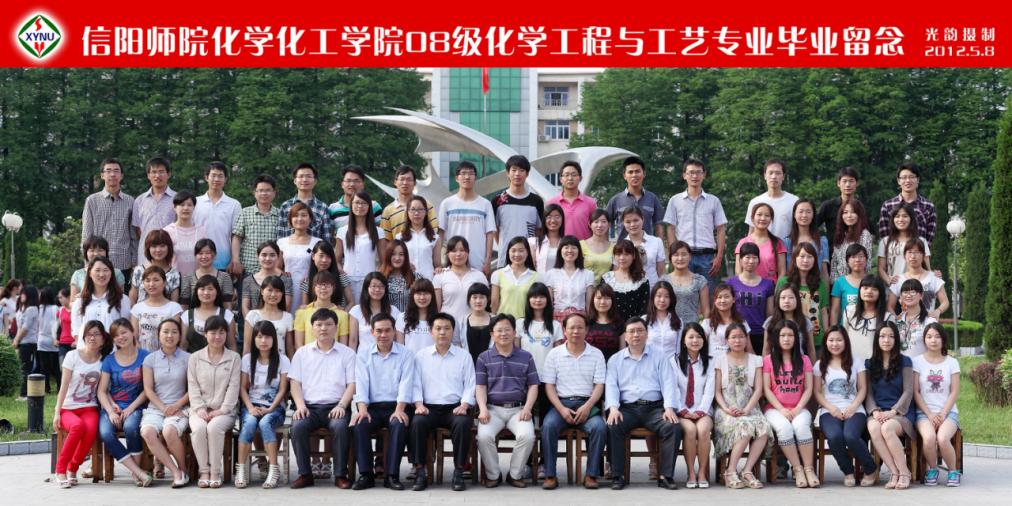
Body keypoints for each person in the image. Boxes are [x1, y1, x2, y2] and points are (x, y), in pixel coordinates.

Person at [605, 317, 682, 490]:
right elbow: (611, 386)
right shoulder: (615, 360)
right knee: (613, 425)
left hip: (654, 408)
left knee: (673, 426)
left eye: (640, 331)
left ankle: (665, 475)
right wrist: (613, 408)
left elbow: (668, 382)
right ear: (625, 336)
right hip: (627, 408)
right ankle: (618, 475)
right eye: (631, 331)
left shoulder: (660, 356)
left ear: (647, 334)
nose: (636, 335)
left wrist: (669, 407)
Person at [288, 308, 358, 489]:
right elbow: (294, 383)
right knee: (298, 426)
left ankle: (340, 475)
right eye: (319, 325)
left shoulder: (347, 354)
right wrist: (300, 406)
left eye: (328, 324)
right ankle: (305, 474)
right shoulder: (302, 353)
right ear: (312, 328)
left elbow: (352, 384)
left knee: (340, 427)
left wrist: (342, 405)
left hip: (336, 406)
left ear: (336, 327)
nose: (323, 328)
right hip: (309, 407)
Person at [410, 312, 476, 491]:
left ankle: (459, 471)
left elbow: (471, 384)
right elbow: (415, 384)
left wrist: (464, 405)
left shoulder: (464, 356)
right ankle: (420, 471)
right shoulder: (421, 356)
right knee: (417, 423)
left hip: (455, 408)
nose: (442, 332)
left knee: (463, 424)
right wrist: (418, 404)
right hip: (428, 408)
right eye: (438, 328)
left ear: (453, 331)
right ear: (431, 331)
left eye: (447, 328)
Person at [540, 313, 607, 489]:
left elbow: (599, 385)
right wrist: (561, 409)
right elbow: (549, 386)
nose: (575, 331)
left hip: (587, 404)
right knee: (548, 426)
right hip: (561, 404)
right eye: (571, 327)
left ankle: (591, 475)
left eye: (580, 327)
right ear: (564, 330)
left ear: (587, 330)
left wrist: (588, 406)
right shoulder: (554, 354)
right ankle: (550, 475)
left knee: (599, 427)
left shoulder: (596, 354)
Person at [351, 313, 417, 490]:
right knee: (360, 424)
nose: (383, 335)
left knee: (398, 424)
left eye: (388, 330)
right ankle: (366, 475)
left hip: (397, 406)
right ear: (372, 332)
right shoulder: (363, 354)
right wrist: (362, 409)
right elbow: (361, 384)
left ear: (394, 331)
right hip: (372, 407)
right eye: (379, 331)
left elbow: (406, 384)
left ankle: (391, 475)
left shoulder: (406, 354)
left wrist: (400, 409)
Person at [475, 314, 540, 488]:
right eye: (499, 330)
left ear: (514, 332)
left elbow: (533, 385)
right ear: (492, 334)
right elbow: (480, 387)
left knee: (527, 436)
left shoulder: (526, 357)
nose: (503, 334)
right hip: (492, 409)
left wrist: (527, 408)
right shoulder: (483, 358)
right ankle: (493, 475)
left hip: (518, 410)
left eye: (507, 330)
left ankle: (514, 474)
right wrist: (483, 409)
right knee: (483, 437)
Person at [813, 326, 876, 486]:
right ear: (826, 342)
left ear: (846, 342)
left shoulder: (856, 362)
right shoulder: (819, 365)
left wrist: (853, 406)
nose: (835, 344)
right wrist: (831, 408)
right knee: (834, 436)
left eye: (839, 340)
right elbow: (817, 392)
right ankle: (848, 471)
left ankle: (870, 469)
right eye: (831, 340)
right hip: (829, 410)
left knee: (850, 435)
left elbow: (862, 389)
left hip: (854, 409)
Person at [713, 323, 772, 490]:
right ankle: (730, 471)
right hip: (726, 409)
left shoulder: (756, 360)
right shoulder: (720, 360)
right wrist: (726, 409)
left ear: (747, 339)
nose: (737, 340)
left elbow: (759, 389)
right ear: (727, 340)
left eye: (741, 337)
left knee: (764, 428)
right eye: (733, 337)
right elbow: (717, 392)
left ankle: (747, 471)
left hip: (750, 407)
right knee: (745, 427)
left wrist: (746, 410)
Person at [53, 320, 111, 488]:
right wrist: (57, 412)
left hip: (89, 408)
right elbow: (63, 386)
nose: (92, 338)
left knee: (91, 430)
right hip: (68, 408)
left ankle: (73, 468)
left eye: (96, 334)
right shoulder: (72, 356)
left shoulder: (104, 362)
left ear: (103, 339)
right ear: (84, 337)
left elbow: (103, 390)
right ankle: (61, 470)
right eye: (89, 334)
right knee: (77, 426)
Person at [186, 315, 240, 488]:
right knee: (199, 428)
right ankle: (204, 471)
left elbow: (234, 387)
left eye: (221, 332)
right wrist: (200, 408)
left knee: (214, 427)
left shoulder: (234, 358)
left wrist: (222, 410)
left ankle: (216, 472)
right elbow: (192, 385)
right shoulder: (195, 358)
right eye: (213, 332)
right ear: (205, 334)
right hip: (199, 410)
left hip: (225, 411)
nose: (217, 336)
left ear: (227, 334)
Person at [763, 320, 818, 488]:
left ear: (796, 338)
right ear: (776, 338)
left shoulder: (804, 360)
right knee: (784, 428)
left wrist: (798, 408)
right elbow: (766, 389)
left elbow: (808, 388)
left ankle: (809, 469)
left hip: (799, 407)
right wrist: (781, 409)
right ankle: (797, 468)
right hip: (774, 409)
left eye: (790, 335)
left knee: (801, 428)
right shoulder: (768, 361)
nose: (786, 339)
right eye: (782, 335)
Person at [97, 319, 152, 486]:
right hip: (113, 407)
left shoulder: (145, 356)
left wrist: (131, 408)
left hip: (136, 406)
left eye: (124, 332)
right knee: (106, 433)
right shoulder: (109, 360)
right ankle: (138, 472)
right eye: (116, 335)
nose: (120, 337)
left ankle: (137, 474)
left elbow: (148, 389)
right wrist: (110, 411)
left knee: (130, 427)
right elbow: (101, 391)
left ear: (133, 332)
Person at [235, 320, 289, 489]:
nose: (263, 340)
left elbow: (282, 390)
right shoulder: (247, 359)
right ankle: (241, 469)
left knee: (266, 423)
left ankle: (273, 469)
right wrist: (250, 407)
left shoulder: (283, 360)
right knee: (249, 423)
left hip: (274, 407)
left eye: (267, 337)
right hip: (251, 406)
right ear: (254, 339)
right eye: (259, 336)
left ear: (274, 339)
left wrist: (270, 408)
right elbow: (242, 388)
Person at [663, 159, 728, 291]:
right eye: (691, 172)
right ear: (684, 175)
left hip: (707, 258)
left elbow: (721, 229)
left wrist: (719, 256)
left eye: (698, 172)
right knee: (682, 295)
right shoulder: (675, 200)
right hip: (683, 256)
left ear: (704, 175)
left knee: (708, 296)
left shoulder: (714, 201)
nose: (695, 176)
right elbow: (670, 228)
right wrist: (673, 254)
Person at [140, 319, 191, 487]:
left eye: (174, 332)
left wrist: (176, 405)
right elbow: (148, 389)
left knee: (169, 431)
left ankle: (183, 469)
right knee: (147, 432)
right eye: (165, 332)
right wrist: (163, 408)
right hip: (156, 408)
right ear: (158, 335)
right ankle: (175, 471)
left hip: (180, 407)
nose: (170, 335)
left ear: (180, 336)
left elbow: (193, 388)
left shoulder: (189, 358)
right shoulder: (150, 359)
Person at [865, 321, 915, 490]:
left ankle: (904, 472)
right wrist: (874, 411)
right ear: (877, 339)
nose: (886, 340)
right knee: (874, 428)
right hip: (878, 411)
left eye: (891, 336)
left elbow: (908, 391)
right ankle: (894, 472)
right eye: (883, 336)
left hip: (901, 412)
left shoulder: (905, 361)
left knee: (887, 428)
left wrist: (893, 411)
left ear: (896, 339)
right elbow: (868, 393)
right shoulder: (869, 363)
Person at [912, 323, 961, 487]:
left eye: (937, 336)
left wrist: (943, 414)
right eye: (929, 337)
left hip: (948, 413)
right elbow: (916, 392)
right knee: (929, 438)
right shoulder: (917, 362)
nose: (933, 340)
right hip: (924, 413)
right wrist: (930, 414)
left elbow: (954, 391)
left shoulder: (952, 362)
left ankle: (953, 471)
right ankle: (932, 469)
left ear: (943, 339)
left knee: (942, 438)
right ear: (924, 340)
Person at [674, 322, 715, 488]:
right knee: (690, 430)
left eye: (699, 337)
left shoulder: (711, 362)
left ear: (704, 340)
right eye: (690, 337)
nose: (695, 340)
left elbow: (710, 390)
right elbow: (673, 389)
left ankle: (702, 472)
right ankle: (691, 472)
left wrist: (700, 411)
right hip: (681, 410)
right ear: (683, 340)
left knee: (703, 430)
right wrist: (683, 410)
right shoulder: (674, 361)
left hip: (703, 410)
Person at [438, 161, 497, 275]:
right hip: (453, 263)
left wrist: (488, 261)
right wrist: (438, 262)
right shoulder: (447, 204)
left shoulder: (485, 204)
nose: (467, 177)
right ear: (457, 178)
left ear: (475, 178)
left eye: (471, 173)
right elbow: (441, 233)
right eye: (463, 173)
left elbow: (490, 234)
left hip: (478, 263)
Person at [81, 158, 136, 273]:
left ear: (121, 175)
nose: (112, 174)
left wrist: (134, 261)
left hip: (123, 262)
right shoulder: (92, 200)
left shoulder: (130, 201)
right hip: (97, 264)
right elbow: (86, 234)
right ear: (102, 175)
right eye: (108, 171)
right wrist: (87, 263)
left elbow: (133, 235)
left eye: (116, 171)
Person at [493, 155, 545, 268]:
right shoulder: (498, 200)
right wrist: (504, 244)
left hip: (530, 259)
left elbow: (539, 230)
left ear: (527, 174)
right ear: (507, 173)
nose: (517, 174)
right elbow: (495, 230)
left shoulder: (536, 201)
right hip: (504, 259)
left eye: (522, 170)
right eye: (514, 170)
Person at [777, 242, 829, 350]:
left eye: (810, 257)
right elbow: (777, 308)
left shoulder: (820, 284)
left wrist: (827, 335)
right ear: (794, 259)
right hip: (790, 339)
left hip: (816, 339)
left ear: (815, 260)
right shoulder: (784, 282)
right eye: (802, 256)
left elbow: (823, 312)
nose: (805, 260)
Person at [337, 192, 386, 303]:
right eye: (357, 203)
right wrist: (341, 272)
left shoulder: (378, 232)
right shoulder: (342, 231)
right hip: (347, 282)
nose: (360, 206)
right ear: (351, 205)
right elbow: (337, 260)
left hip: (370, 282)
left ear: (369, 207)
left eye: (364, 203)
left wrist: (376, 279)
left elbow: (384, 262)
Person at [71, 257, 131, 347]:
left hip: (113, 351)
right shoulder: (80, 300)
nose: (102, 274)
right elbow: (76, 329)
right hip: (87, 351)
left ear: (111, 273)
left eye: (105, 270)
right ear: (90, 273)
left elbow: (126, 327)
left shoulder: (122, 299)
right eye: (97, 270)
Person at [192, 162, 242, 270]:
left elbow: (236, 235)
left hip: (224, 262)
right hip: (198, 262)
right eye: (213, 175)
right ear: (206, 177)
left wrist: (235, 259)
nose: (216, 179)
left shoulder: (234, 204)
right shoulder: (195, 203)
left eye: (220, 176)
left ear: (226, 179)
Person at [230, 174, 280, 278]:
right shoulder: (245, 213)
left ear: (274, 193)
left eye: (268, 190)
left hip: (272, 270)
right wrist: (235, 260)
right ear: (254, 193)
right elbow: (237, 237)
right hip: (248, 269)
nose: (264, 193)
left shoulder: (280, 215)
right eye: (260, 190)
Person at [728, 242, 775, 354]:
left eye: (754, 257)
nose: (751, 261)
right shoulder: (731, 283)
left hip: (760, 334)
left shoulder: (768, 284)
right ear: (740, 260)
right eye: (747, 257)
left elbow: (770, 314)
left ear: (759, 260)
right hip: (738, 334)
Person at [132, 157, 177, 268]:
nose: (157, 176)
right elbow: (138, 230)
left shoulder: (177, 199)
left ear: (168, 174)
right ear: (148, 175)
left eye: (161, 172)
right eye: (154, 172)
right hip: (145, 257)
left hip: (171, 256)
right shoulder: (139, 200)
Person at [605, 156, 665, 239]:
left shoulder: (652, 198)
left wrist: (660, 244)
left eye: (637, 171)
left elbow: (659, 225)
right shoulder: (616, 200)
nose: (634, 175)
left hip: (647, 246)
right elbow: (605, 223)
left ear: (644, 174)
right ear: (625, 176)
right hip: (623, 246)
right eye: (630, 172)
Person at [433, 237, 489, 326]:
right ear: (448, 254)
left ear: (468, 252)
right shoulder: (440, 276)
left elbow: (485, 304)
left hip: (472, 326)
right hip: (447, 326)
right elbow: (436, 307)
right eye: (454, 251)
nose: (458, 254)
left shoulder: (479, 276)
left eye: (462, 250)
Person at [278, 202, 323, 311]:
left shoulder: (318, 242)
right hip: (287, 287)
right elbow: (277, 267)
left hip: (310, 286)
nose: (299, 219)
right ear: (290, 220)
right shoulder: (281, 242)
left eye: (304, 215)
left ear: (310, 219)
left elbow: (322, 267)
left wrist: (312, 277)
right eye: (295, 216)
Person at [878, 163, 937, 244]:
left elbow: (929, 237)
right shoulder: (888, 206)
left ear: (918, 180)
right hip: (894, 250)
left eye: (911, 177)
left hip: (919, 250)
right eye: (904, 177)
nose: (908, 180)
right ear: (898, 181)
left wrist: (919, 250)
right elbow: (884, 235)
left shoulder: (928, 206)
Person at [887, 240, 949, 318]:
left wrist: (938, 311)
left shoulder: (933, 278)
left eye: (917, 252)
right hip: (906, 324)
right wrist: (896, 319)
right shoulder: (898, 280)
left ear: (923, 256)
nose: (913, 256)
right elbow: (890, 306)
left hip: (928, 323)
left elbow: (945, 302)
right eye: (910, 252)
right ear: (904, 256)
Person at [129, 266, 184, 352]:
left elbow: (174, 337)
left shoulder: (174, 308)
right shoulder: (137, 308)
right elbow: (134, 338)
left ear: (164, 283)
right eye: (147, 280)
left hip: (166, 355)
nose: (151, 284)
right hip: (143, 355)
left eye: (156, 280)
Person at [278, 163, 334, 245]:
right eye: (301, 176)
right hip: (288, 252)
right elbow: (280, 237)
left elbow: (327, 239)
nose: (304, 180)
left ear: (315, 181)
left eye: (309, 176)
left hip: (314, 252)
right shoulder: (285, 206)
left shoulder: (322, 207)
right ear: (295, 181)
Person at [380, 165, 439, 241]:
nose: (405, 183)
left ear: (415, 183)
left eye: (409, 179)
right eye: (402, 179)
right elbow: (386, 240)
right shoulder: (388, 211)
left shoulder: (426, 206)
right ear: (395, 182)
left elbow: (434, 233)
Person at [294, 272, 351, 349]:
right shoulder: (302, 313)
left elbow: (343, 345)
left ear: (333, 288)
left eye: (327, 285)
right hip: (308, 355)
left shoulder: (342, 315)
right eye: (319, 285)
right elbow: (298, 344)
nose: (323, 288)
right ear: (314, 288)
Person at [543, 235, 595, 321]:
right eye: (566, 247)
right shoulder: (551, 274)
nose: (570, 251)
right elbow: (549, 303)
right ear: (560, 251)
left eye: (574, 248)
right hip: (557, 319)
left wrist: (589, 322)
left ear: (579, 251)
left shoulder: (588, 274)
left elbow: (589, 305)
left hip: (580, 319)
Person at [349, 272, 404, 352]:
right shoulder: (356, 310)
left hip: (389, 356)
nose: (377, 289)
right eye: (374, 286)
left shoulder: (394, 311)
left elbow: (397, 339)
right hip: (365, 357)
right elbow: (353, 340)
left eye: (381, 286)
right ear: (366, 288)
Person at [744, 159, 798, 240]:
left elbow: (799, 230)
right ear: (765, 175)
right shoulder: (755, 202)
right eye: (770, 173)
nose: (774, 177)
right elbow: (751, 232)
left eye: (778, 173)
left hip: (787, 247)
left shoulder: (794, 201)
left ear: (783, 176)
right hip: (761, 247)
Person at [879, 204, 932, 285]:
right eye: (897, 216)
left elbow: (927, 267)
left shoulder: (921, 241)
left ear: (911, 219)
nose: (901, 219)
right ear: (893, 219)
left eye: (905, 216)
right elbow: (881, 268)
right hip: (893, 287)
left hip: (916, 287)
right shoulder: (885, 241)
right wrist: (888, 280)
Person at [844, 275, 893, 362]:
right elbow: (844, 336)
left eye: (874, 289)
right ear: (860, 290)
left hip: (875, 363)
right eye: (865, 288)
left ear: (880, 293)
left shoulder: (887, 317)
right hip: (851, 362)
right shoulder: (849, 311)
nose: (869, 291)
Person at [761, 283, 816, 360]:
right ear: (778, 300)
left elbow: (811, 349)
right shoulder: (770, 322)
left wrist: (813, 366)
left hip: (799, 363)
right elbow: (766, 349)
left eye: (791, 297)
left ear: (797, 300)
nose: (786, 301)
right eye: (783, 298)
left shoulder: (805, 322)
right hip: (775, 364)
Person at [182, 275, 237, 352]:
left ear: (217, 292)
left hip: (220, 359)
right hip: (192, 358)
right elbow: (183, 345)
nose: (206, 292)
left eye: (210, 289)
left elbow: (231, 345)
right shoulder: (187, 315)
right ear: (196, 292)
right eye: (202, 289)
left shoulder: (227, 315)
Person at [243, 275, 294, 357]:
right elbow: (247, 347)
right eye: (270, 290)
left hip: (280, 362)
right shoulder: (252, 315)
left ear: (282, 294)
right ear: (262, 291)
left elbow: (290, 348)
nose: (273, 294)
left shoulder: (287, 317)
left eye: (277, 291)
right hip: (257, 362)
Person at [736, 203, 787, 283]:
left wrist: (777, 290)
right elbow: (738, 271)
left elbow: (782, 272)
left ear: (771, 219)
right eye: (759, 214)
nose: (763, 218)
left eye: (767, 215)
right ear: (752, 218)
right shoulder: (743, 242)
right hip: (747, 288)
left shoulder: (778, 243)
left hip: (771, 289)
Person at [602, 239, 650, 323]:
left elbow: (644, 310)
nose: (622, 258)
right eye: (618, 254)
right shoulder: (607, 278)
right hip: (611, 326)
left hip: (635, 327)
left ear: (633, 256)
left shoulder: (642, 281)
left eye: (626, 254)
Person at [179, 239, 235, 310]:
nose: (204, 256)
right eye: (200, 253)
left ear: (214, 254)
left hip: (218, 316)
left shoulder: (225, 277)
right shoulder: (188, 278)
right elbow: (184, 305)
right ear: (195, 255)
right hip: (194, 315)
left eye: (207, 253)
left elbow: (227, 305)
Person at [241, 241, 294, 315]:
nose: (268, 258)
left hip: (278, 320)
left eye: (272, 255)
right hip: (254, 321)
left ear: (278, 257)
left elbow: (287, 306)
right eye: (264, 255)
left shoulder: (286, 280)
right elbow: (245, 307)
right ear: (257, 256)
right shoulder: (248, 280)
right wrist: (251, 321)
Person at [491, 237, 539, 319]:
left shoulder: (536, 276)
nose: (517, 254)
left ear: (527, 253)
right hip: (503, 323)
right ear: (508, 253)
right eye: (513, 251)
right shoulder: (498, 274)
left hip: (526, 322)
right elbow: (494, 302)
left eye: (521, 250)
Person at [815, 167, 860, 254]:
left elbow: (871, 231)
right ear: (838, 183)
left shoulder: (859, 207)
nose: (848, 185)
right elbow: (813, 225)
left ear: (857, 183)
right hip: (832, 255)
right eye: (844, 181)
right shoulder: (828, 206)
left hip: (855, 256)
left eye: (851, 181)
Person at [129, 230, 181, 304]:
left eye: (162, 246)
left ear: (169, 248)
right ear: (148, 248)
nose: (158, 250)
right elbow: (133, 297)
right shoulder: (139, 270)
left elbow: (174, 303)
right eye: (154, 246)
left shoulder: (174, 273)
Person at [396, 195, 441, 281]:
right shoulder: (399, 237)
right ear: (407, 212)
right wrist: (406, 264)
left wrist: (439, 269)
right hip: (406, 282)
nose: (416, 213)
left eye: (420, 209)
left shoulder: (435, 237)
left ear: (426, 212)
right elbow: (396, 262)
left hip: (428, 281)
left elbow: (437, 265)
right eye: (413, 209)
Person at [162, 191, 205, 278]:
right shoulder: (167, 231)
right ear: (175, 208)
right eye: (182, 205)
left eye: (189, 205)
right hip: (174, 279)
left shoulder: (201, 231)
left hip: (197, 279)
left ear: (194, 208)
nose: (186, 208)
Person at [785, 198, 830, 280]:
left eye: (808, 212)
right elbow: (784, 272)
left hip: (815, 286)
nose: (804, 215)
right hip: (792, 285)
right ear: (794, 215)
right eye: (801, 211)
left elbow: (824, 273)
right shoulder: (787, 242)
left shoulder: (822, 241)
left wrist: (825, 288)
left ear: (813, 215)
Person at [667, 241, 711, 327]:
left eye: (684, 254)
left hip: (692, 329)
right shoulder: (664, 281)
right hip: (670, 329)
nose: (680, 258)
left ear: (690, 257)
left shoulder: (700, 280)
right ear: (670, 258)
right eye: (676, 255)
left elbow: (706, 310)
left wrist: (705, 329)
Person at [69, 237, 126, 303]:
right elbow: (71, 303)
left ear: (106, 252)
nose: (96, 254)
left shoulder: (117, 273)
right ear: (86, 253)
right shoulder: (78, 274)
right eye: (92, 250)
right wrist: (80, 299)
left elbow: (121, 298)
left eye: (100, 250)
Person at [830, 200, 874, 282]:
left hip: (858, 282)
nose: (849, 215)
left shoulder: (864, 235)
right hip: (839, 282)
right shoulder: (840, 234)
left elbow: (867, 263)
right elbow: (834, 262)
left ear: (859, 215)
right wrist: (836, 282)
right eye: (845, 212)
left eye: (853, 212)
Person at [329, 164, 384, 232]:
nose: (352, 184)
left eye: (356, 181)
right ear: (342, 184)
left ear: (363, 184)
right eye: (348, 181)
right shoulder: (333, 209)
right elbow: (330, 234)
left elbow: (381, 232)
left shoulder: (374, 206)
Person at [301, 241, 354, 310]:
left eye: (328, 256)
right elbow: (304, 306)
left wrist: (343, 313)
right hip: (315, 316)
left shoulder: (340, 276)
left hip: (338, 315)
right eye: (321, 256)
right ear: (313, 256)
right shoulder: (308, 281)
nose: (324, 260)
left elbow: (351, 302)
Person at [702, 282, 751, 356]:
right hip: (713, 362)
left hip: (735, 362)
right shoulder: (708, 323)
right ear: (715, 301)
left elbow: (749, 349)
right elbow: (700, 346)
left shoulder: (742, 322)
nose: (723, 300)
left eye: (726, 297)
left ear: (733, 299)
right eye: (719, 297)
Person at [621, 206, 666, 286]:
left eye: (636, 220)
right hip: (629, 288)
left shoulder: (656, 242)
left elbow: (661, 271)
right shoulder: (620, 245)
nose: (632, 224)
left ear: (643, 219)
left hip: (652, 288)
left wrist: (661, 288)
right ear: (623, 223)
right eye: (628, 222)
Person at [894, 279, 938, 357]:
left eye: (913, 292)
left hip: (921, 364)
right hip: (900, 364)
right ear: (901, 296)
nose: (908, 295)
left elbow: (936, 348)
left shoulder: (929, 322)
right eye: (905, 292)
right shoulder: (897, 321)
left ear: (921, 295)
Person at [830, 244, 871, 326]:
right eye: (853, 257)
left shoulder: (873, 281)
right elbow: (835, 310)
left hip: (868, 327)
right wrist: (834, 330)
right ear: (847, 261)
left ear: (866, 259)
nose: (857, 260)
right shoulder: (840, 282)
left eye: (861, 256)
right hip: (846, 328)